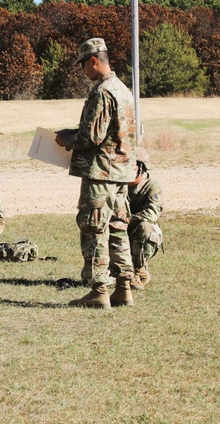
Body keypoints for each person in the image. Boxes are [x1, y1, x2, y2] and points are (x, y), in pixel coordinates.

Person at [55, 37, 137, 309]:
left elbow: (91, 137)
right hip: (120, 174)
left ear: (93, 60)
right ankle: (124, 288)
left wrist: (66, 138)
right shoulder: (123, 89)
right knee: (117, 229)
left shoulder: (103, 92)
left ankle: (99, 291)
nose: (82, 71)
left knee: (94, 230)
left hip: (101, 175)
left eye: (82, 65)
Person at [126, 147, 164, 289]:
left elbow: (151, 214)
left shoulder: (151, 186)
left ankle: (139, 268)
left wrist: (126, 220)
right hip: (120, 230)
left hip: (139, 231)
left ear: (140, 167)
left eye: (131, 165)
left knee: (145, 228)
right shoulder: (118, 186)